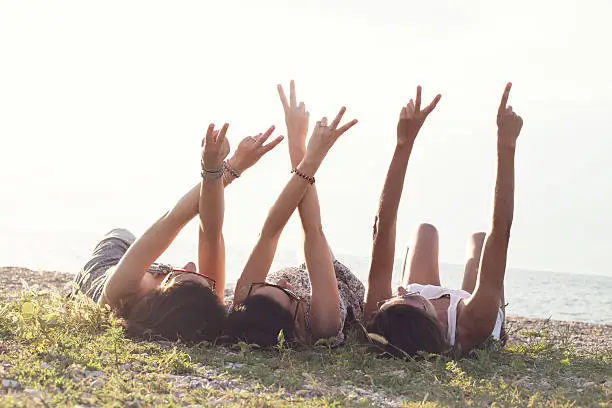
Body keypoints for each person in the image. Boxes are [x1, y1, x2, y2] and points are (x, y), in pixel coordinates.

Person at [72, 124, 283, 343]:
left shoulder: (120, 293)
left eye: (181, 276)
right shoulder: (204, 307)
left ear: (160, 299)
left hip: (106, 260)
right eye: (203, 280)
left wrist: (219, 168)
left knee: (121, 233)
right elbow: (210, 233)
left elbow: (173, 220)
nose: (192, 265)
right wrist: (226, 168)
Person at [364, 83, 523, 358]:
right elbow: (502, 231)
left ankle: (426, 291)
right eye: (407, 296)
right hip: (472, 312)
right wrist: (506, 146)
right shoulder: (472, 323)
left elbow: (382, 227)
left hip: (422, 311)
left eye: (394, 297)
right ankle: (501, 324)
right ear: (428, 319)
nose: (399, 288)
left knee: (425, 232)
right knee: (482, 242)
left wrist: (403, 144)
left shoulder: (384, 316)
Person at [227, 81, 364, 347]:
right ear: (296, 328)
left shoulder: (245, 302)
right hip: (336, 281)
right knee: (313, 234)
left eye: (269, 285)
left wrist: (299, 142)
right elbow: (312, 231)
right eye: (287, 294)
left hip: (309, 267)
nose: (283, 282)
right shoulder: (323, 324)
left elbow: (270, 232)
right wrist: (306, 151)